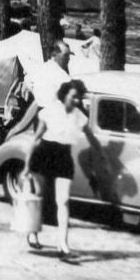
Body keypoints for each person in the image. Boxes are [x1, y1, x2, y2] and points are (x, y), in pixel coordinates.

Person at [24, 79, 90, 257]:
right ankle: (32, 234)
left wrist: (103, 158)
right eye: (73, 97)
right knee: (38, 196)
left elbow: (93, 140)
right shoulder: (50, 111)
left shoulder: (80, 117)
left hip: (64, 157)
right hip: (44, 154)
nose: (76, 101)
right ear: (65, 95)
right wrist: (26, 165)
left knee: (64, 201)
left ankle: (63, 244)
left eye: (79, 98)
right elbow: (36, 138)